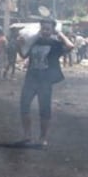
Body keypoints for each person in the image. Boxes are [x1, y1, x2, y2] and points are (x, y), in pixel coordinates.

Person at [17, 18, 74, 147]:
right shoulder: (34, 41)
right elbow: (24, 56)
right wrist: (19, 45)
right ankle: (27, 134)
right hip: (31, 78)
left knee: (44, 109)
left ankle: (43, 137)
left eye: (48, 29)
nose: (45, 31)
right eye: (43, 28)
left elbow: (70, 46)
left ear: (52, 30)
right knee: (24, 106)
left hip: (45, 80)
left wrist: (60, 34)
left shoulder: (55, 44)